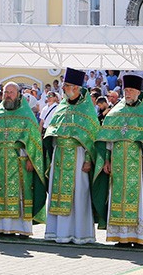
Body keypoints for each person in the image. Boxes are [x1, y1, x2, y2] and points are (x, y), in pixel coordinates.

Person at [91, 74, 143, 246]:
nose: (128, 93)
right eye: (126, 90)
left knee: (138, 199)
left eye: (131, 90)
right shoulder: (115, 113)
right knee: (117, 197)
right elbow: (108, 139)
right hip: (117, 164)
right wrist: (106, 160)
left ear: (139, 92)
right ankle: (120, 236)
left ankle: (138, 236)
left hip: (138, 164)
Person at [0, 82, 46, 237]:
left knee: (20, 194)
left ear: (18, 95)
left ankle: (21, 228)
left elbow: (34, 140)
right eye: (6, 92)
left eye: (11, 92)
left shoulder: (26, 115)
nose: (8, 95)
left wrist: (31, 159)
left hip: (19, 159)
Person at [42, 68, 100, 244]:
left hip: (79, 157)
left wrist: (89, 159)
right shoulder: (62, 106)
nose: (63, 88)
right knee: (58, 194)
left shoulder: (87, 110)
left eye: (66, 85)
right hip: (59, 155)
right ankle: (57, 232)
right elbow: (52, 129)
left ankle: (79, 234)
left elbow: (93, 137)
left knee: (78, 195)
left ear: (76, 87)